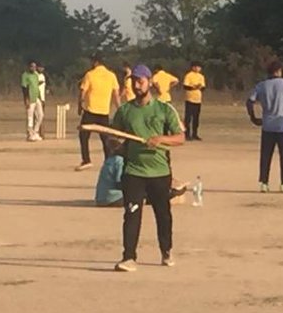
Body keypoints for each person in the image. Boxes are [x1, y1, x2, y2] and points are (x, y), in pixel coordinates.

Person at [109, 64, 186, 271]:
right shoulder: (125, 111)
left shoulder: (164, 109)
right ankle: (129, 257)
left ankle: (166, 250)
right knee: (132, 213)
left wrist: (160, 139)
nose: (136, 84)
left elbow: (180, 138)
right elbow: (114, 138)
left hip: (160, 172)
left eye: (140, 80)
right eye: (134, 80)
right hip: (133, 171)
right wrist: (116, 144)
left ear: (149, 82)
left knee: (163, 214)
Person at [246, 59, 283, 193]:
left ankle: (264, 183)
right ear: (279, 71)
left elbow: (249, 102)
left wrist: (253, 118)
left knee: (266, 155)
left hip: (267, 125)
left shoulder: (261, 85)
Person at [76, 54, 121, 171]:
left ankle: (86, 160)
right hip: (104, 112)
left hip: (90, 111)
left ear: (95, 62)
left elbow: (83, 92)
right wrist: (119, 109)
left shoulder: (90, 74)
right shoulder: (111, 76)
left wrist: (79, 106)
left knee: (83, 136)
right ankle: (108, 160)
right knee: (105, 138)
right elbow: (116, 94)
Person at [182, 60, 206, 141]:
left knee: (196, 118)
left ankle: (195, 134)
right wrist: (195, 87)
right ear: (192, 67)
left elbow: (203, 87)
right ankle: (187, 134)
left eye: (199, 67)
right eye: (196, 67)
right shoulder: (189, 75)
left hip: (198, 100)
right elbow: (186, 86)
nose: (198, 68)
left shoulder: (201, 76)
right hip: (189, 99)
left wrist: (199, 87)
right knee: (188, 118)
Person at [21, 60, 44, 141]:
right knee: (30, 117)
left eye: (34, 67)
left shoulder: (35, 75)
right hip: (30, 98)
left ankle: (35, 132)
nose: (33, 68)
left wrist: (40, 98)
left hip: (36, 97)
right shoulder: (25, 75)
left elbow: (37, 87)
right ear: (28, 67)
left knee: (40, 115)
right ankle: (30, 134)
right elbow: (24, 88)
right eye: (32, 66)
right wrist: (26, 99)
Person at [35, 62, 49, 139]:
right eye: (40, 67)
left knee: (41, 117)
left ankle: (41, 133)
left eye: (42, 68)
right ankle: (37, 133)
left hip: (42, 98)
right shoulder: (35, 75)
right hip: (37, 98)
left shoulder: (43, 76)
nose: (42, 69)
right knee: (38, 117)